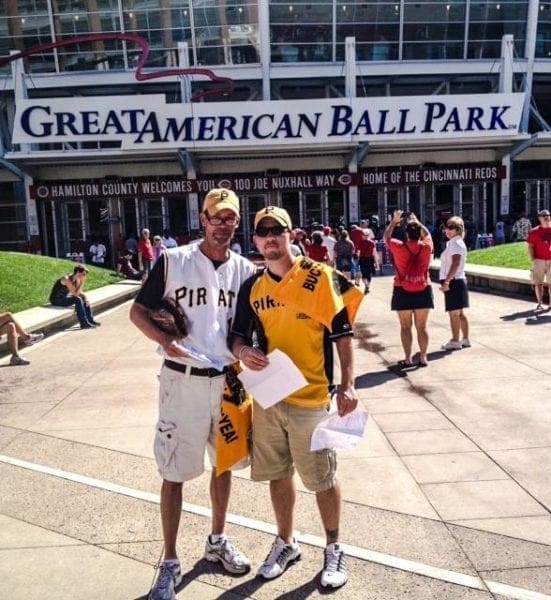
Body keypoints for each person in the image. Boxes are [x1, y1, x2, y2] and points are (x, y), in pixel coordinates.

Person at [129, 188, 257, 600]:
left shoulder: (244, 270)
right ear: (202, 219)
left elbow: (241, 330)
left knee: (223, 466)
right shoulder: (173, 260)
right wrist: (164, 342)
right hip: (180, 379)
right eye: (216, 217)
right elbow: (138, 310)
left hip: (225, 380)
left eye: (230, 218)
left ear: (238, 223)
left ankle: (216, 540)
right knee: (174, 473)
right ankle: (169, 560)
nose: (223, 224)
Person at [230, 206, 363, 589]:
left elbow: (342, 334)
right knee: (277, 474)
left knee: (321, 478)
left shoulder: (317, 278)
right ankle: (286, 542)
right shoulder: (252, 287)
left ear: (292, 235)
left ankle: (334, 546)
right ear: (255, 240)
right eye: (263, 231)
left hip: (312, 398)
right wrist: (242, 353)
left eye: (278, 230)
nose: (270, 237)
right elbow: (237, 336)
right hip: (270, 397)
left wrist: (349, 384)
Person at [384, 210, 434, 367]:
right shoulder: (426, 247)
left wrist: (394, 221)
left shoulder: (398, 247)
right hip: (423, 288)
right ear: (419, 233)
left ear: (406, 234)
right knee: (422, 326)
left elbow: (386, 238)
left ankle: (407, 358)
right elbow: (428, 236)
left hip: (402, 289)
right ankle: (423, 357)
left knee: (405, 327)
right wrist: (418, 222)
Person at [439, 216, 471, 350]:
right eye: (447, 227)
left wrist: (447, 281)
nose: (447, 230)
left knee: (454, 314)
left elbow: (456, 263)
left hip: (454, 281)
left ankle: (455, 340)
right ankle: (465, 339)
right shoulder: (455, 243)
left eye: (451, 228)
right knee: (460, 313)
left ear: (458, 230)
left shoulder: (455, 244)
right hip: (457, 280)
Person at [527, 208, 551, 313]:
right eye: (544, 216)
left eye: (548, 215)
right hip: (539, 260)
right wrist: (533, 260)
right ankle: (540, 303)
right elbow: (530, 247)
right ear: (539, 218)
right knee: (538, 283)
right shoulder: (534, 232)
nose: (546, 217)